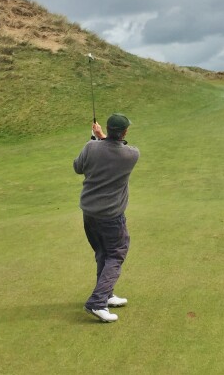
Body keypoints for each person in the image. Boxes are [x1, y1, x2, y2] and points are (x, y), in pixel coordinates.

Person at [73, 113, 140, 323]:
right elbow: (113, 149)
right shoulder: (131, 154)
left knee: (103, 252)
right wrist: (100, 138)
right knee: (116, 254)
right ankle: (97, 302)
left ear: (108, 129)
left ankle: (106, 294)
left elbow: (78, 168)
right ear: (125, 132)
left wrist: (95, 140)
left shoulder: (90, 147)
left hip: (89, 214)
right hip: (111, 217)